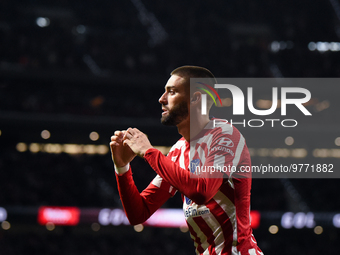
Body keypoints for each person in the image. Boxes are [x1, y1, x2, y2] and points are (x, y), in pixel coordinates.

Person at [110, 66, 263, 255]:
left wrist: (149, 152)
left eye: (171, 92)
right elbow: (138, 213)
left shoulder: (225, 135)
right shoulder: (177, 151)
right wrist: (122, 167)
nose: (162, 99)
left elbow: (202, 190)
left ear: (196, 98)